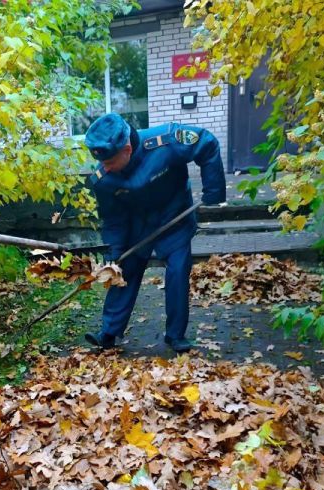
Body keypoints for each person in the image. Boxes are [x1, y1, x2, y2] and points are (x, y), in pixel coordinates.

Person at [82, 113, 226, 352]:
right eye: (102, 163)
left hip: (174, 218)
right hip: (138, 226)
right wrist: (114, 252)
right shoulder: (104, 180)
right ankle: (108, 333)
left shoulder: (167, 141)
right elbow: (114, 220)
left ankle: (175, 335)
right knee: (123, 270)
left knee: (178, 272)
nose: (104, 167)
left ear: (127, 149)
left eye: (109, 162)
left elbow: (207, 143)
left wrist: (214, 191)